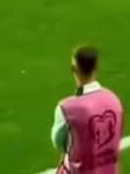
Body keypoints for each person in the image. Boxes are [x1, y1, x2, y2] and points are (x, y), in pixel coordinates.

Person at [51, 45, 123, 174]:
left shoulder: (66, 109)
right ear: (96, 68)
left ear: (73, 69)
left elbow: (58, 142)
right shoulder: (114, 100)